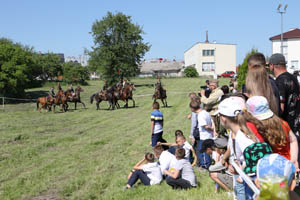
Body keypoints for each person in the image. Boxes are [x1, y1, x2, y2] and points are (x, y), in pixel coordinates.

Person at [246, 96, 299, 168]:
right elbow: (293, 140)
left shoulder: (254, 128)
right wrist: (294, 159)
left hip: (269, 169)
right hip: (287, 164)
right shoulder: (282, 123)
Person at [269, 53, 300, 133]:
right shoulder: (294, 78)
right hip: (295, 125)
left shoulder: (280, 81)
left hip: (285, 127)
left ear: (272, 65)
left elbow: (280, 108)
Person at [189, 99, 214, 169]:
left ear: (192, 108)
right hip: (209, 135)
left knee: (203, 151)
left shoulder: (200, 115)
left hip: (204, 136)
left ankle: (205, 166)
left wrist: (211, 129)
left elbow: (204, 126)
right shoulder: (205, 112)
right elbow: (211, 121)